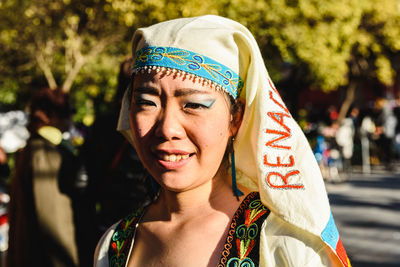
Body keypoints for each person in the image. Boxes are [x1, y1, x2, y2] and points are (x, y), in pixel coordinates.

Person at [94, 15, 350, 266]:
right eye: (147, 102)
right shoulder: (115, 246)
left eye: (193, 104)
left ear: (235, 118)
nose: (167, 128)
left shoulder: (285, 245)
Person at [7, 88, 79, 267]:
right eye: (68, 112)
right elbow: (53, 219)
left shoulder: (35, 148)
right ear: (52, 115)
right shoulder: (43, 151)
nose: (71, 118)